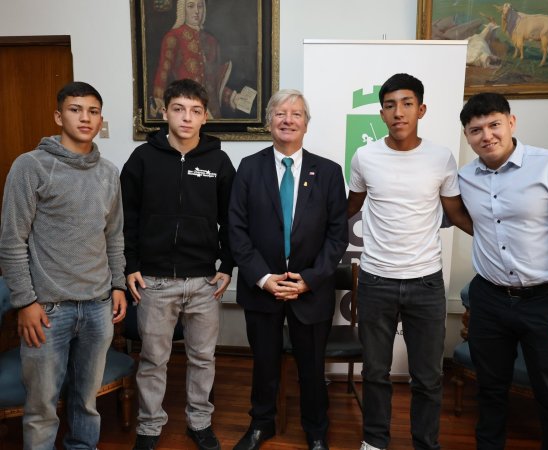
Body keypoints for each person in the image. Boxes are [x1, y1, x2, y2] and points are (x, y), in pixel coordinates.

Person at [458, 92, 548, 450]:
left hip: (547, 301)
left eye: (494, 125)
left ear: (511, 122)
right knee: (489, 392)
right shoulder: (465, 177)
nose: (487, 136)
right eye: (476, 130)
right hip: (489, 299)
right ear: (467, 136)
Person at [347, 73, 473, 450]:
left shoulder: (441, 157)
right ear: (382, 113)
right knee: (375, 371)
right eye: (390, 105)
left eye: (406, 104)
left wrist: (503, 239)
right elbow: (348, 208)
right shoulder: (365, 157)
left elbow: (456, 212)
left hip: (426, 283)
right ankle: (374, 441)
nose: (398, 112)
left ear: (421, 109)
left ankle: (425, 443)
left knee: (428, 377)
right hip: (376, 281)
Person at [0, 81, 127, 450]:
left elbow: (114, 236)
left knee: (86, 402)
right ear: (58, 116)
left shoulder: (108, 173)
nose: (85, 118)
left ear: (100, 120)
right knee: (42, 407)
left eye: (92, 111)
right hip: (47, 311)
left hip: (98, 306)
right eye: (75, 109)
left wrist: (118, 285)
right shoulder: (31, 166)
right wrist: (25, 301)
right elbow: (11, 240)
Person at [228, 89, 349, 450]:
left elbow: (337, 236)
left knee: (311, 367)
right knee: (264, 364)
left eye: (296, 114)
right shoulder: (249, 167)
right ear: (269, 122)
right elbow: (236, 229)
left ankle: (316, 430)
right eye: (280, 113)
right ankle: (261, 424)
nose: (288, 120)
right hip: (262, 288)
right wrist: (264, 278)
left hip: (309, 289)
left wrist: (309, 280)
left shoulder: (328, 172)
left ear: (306, 124)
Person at [121, 78, 235, 450]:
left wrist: (227, 263)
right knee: (153, 359)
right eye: (179, 109)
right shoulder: (142, 158)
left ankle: (199, 423)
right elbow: (126, 217)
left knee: (203, 358)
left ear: (205, 116)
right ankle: (149, 427)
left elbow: (232, 218)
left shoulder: (218, 161)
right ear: (165, 112)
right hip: (154, 280)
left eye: (195, 111)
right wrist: (130, 264)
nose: (187, 117)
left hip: (203, 280)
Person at [152, 0, 256, 119]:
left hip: (213, 113)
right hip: (186, 112)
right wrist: (159, 102)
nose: (196, 11)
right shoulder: (173, 37)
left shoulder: (212, 41)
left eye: (200, 6)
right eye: (191, 6)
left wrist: (232, 97)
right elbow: (163, 74)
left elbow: (213, 83)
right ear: (182, 10)